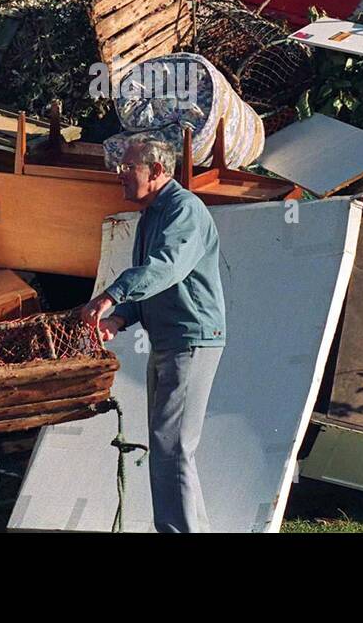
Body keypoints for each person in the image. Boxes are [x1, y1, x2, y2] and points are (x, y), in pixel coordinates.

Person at [80, 133, 225, 532]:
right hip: (170, 340)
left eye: (128, 168)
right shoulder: (150, 216)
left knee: (172, 447)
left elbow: (165, 268)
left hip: (190, 340)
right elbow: (151, 290)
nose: (119, 175)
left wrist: (109, 297)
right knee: (170, 448)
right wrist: (117, 319)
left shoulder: (184, 210)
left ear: (157, 170)